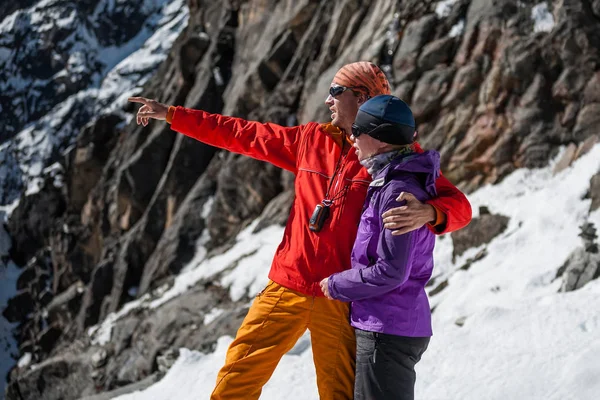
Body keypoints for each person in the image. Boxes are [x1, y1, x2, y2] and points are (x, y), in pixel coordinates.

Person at [129, 61, 471, 400]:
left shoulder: (390, 157)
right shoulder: (311, 139)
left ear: (363, 98)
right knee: (236, 379)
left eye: (336, 91)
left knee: (339, 393)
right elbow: (242, 134)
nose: (328, 100)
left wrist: (430, 212)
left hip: (339, 297)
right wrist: (174, 115)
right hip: (288, 284)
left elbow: (460, 207)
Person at [320, 94, 438, 400]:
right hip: (391, 323)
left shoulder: (398, 191)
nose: (352, 137)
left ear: (382, 140)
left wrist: (336, 284)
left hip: (387, 328)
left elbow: (391, 272)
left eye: (358, 131)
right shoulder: (391, 182)